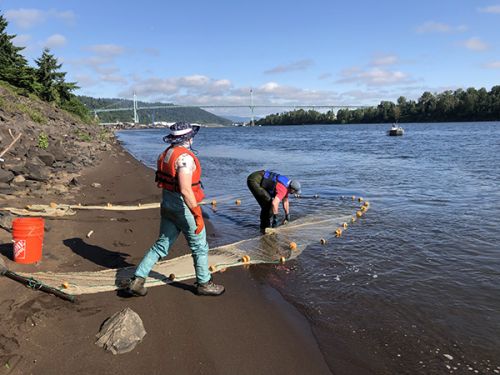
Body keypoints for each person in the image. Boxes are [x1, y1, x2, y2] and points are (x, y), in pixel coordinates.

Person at [127, 122, 224, 297]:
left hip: (167, 204)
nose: (193, 138)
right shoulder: (185, 159)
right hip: (183, 207)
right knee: (199, 246)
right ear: (188, 138)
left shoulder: (166, 154)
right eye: (191, 136)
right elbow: (186, 190)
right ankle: (204, 283)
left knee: (161, 245)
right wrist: (198, 215)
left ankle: (138, 279)